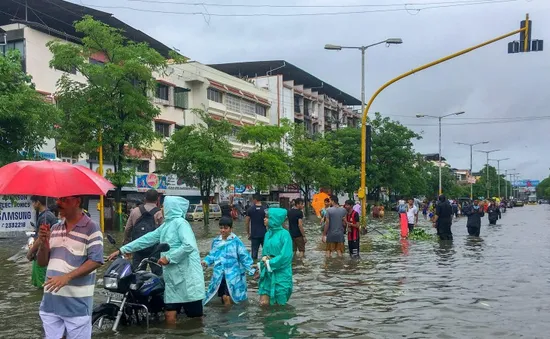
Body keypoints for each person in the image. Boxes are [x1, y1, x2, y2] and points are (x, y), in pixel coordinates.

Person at [108, 196, 205, 324]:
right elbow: (147, 239)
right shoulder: (166, 226)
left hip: (188, 280)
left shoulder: (181, 223)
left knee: (195, 320)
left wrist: (169, 258)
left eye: (165, 206)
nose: (162, 209)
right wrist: (123, 250)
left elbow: (189, 246)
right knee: (169, 315)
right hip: (172, 279)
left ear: (172, 208)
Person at [36, 196, 104, 339]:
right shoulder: (54, 228)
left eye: (64, 200)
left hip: (77, 307)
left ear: (77, 201)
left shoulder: (92, 227)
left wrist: (67, 277)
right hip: (50, 303)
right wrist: (44, 243)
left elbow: (96, 260)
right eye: (58, 200)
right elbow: (42, 263)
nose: (58, 203)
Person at [202, 217, 255, 306]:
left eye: (225, 228)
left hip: (233, 276)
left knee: (227, 297)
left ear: (231, 229)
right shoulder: (216, 241)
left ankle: (228, 317)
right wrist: (206, 262)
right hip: (219, 275)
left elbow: (244, 257)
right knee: (223, 297)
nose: (223, 230)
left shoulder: (236, 242)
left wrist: (252, 270)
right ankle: (225, 316)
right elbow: (212, 255)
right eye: (221, 228)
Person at [256, 207, 293, 306]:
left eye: (267, 217)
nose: (264, 219)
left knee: (279, 305)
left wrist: (269, 263)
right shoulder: (267, 234)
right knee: (263, 304)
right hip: (268, 274)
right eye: (265, 217)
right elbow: (265, 254)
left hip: (281, 274)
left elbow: (285, 256)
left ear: (275, 219)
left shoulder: (285, 235)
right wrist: (260, 266)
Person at [123, 189, 164, 275]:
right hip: (155, 249)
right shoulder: (160, 213)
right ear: (157, 199)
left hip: (138, 248)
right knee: (158, 275)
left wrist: (126, 243)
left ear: (145, 198)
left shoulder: (135, 211)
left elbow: (127, 229)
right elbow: (163, 232)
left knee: (136, 274)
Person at [27, 195, 58, 288]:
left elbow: (42, 239)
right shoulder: (47, 215)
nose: (32, 205)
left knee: (42, 285)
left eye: (33, 202)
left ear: (38, 203)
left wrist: (30, 252)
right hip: (46, 253)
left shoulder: (45, 217)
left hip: (44, 254)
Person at [245, 194, 267, 261]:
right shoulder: (265, 210)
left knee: (254, 255)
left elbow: (246, 223)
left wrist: (248, 233)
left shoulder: (250, 210)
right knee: (266, 253)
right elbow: (268, 222)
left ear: (255, 200)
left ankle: (254, 268)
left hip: (254, 235)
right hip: (264, 234)